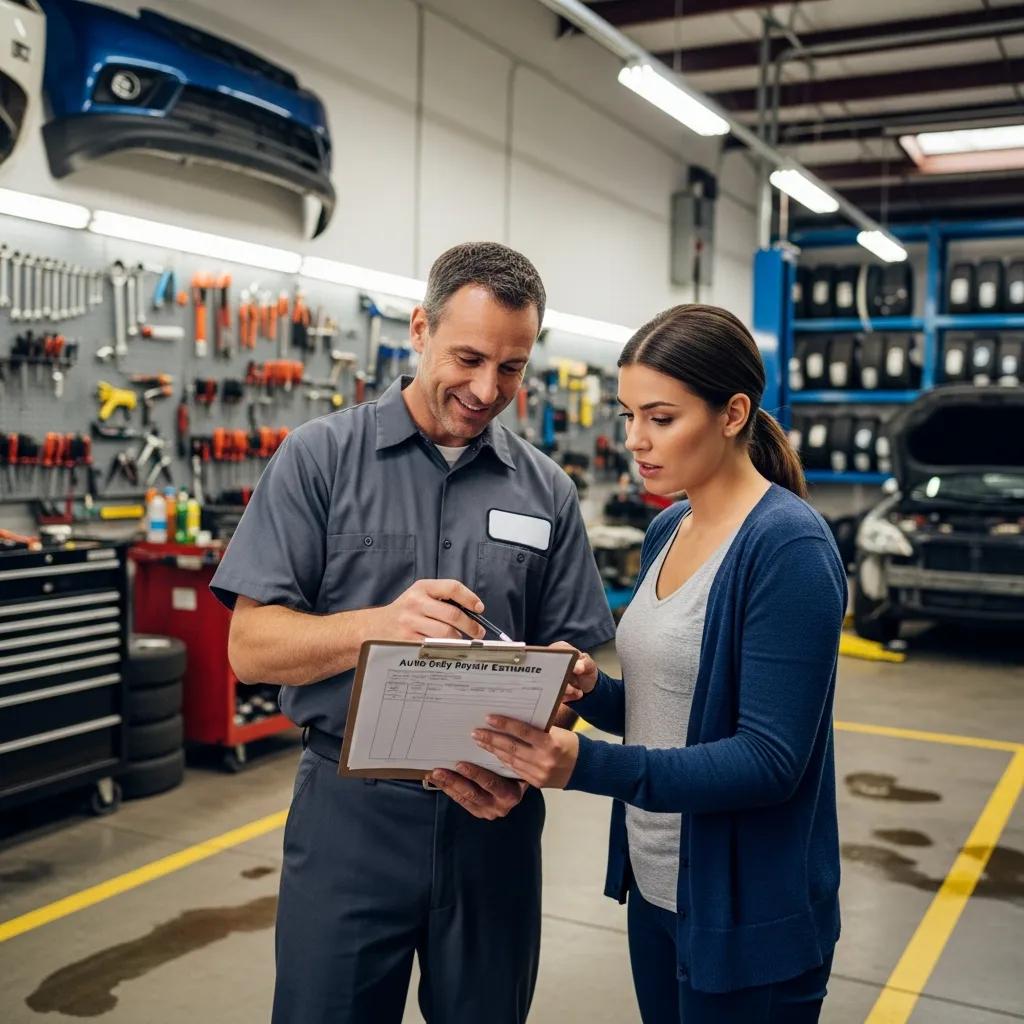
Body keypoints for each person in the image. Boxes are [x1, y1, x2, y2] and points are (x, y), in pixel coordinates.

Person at [210, 242, 615, 1024]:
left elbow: (571, 658)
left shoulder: (547, 489)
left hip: (492, 819)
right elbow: (249, 647)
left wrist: (553, 714)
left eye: (512, 367)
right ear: (419, 329)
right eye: (467, 357)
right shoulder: (318, 460)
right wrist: (378, 627)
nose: (486, 388)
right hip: (349, 817)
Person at [473, 304, 846, 1023]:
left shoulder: (787, 548)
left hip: (747, 916)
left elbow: (771, 760)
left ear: (733, 412)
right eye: (627, 414)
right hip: (658, 887)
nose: (635, 441)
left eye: (661, 418)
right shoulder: (670, 526)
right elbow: (669, 702)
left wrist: (586, 766)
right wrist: (587, 689)